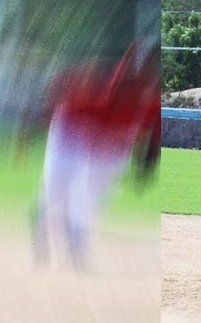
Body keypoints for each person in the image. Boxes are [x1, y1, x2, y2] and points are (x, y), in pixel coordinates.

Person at [29, 41, 160, 269]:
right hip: (72, 130)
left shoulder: (151, 97)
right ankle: (43, 227)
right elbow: (57, 97)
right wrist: (33, 130)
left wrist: (146, 165)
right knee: (55, 192)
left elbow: (154, 132)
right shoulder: (97, 83)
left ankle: (77, 250)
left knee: (91, 197)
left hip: (113, 140)